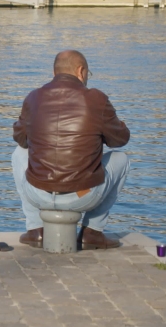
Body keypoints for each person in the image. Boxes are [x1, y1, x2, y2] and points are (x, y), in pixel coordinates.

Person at [12, 50, 131, 250]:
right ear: (81, 71)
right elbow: (120, 140)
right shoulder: (97, 99)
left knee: (18, 153)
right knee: (121, 158)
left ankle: (36, 229)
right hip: (82, 196)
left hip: (38, 192)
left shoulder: (33, 98)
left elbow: (20, 139)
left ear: (54, 72)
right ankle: (92, 232)